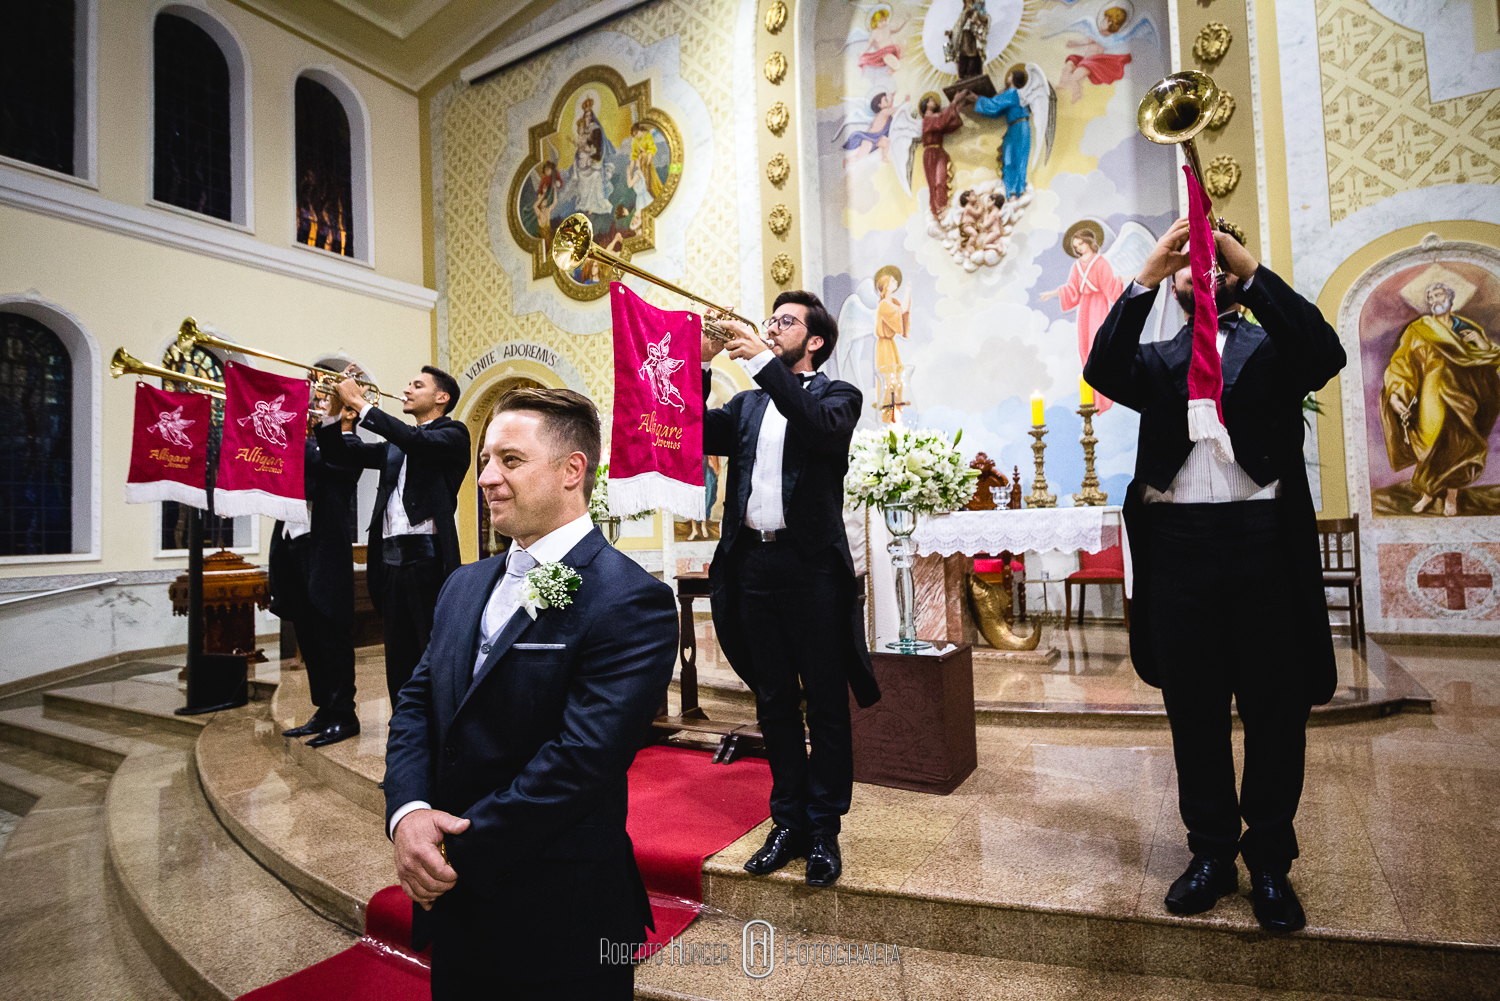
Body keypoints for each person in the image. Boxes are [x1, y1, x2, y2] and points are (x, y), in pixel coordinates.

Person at [1084, 217, 1347, 934]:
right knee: (1194, 709)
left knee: (1273, 708)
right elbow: (1100, 368)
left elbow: (1328, 350)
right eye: (1189, 266)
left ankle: (1268, 859)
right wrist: (1145, 274)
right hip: (1179, 546)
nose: (1201, 272)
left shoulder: (1276, 351)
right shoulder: (1158, 358)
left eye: (1212, 264)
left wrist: (1248, 266)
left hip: (1262, 540)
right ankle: (1208, 853)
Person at [384, 388, 676, 1000]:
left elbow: (581, 758)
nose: (486, 477)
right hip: (454, 904)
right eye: (486, 459)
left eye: (510, 461)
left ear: (573, 471)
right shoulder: (463, 584)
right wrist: (408, 814)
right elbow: (417, 704)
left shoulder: (630, 599)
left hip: (558, 910)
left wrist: (451, 842)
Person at [701, 291, 881, 889]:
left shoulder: (838, 396)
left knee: (826, 702)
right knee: (774, 699)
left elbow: (819, 432)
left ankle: (824, 826)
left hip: (811, 570)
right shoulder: (749, 403)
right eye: (771, 319)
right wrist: (700, 363)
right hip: (753, 564)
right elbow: (696, 430)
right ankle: (787, 822)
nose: (773, 327)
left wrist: (763, 363)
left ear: (816, 341)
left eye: (786, 322)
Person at [323, 367, 470, 707]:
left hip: (429, 560)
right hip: (390, 561)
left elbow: (416, 439)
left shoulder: (453, 434)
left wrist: (361, 404)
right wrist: (338, 412)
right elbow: (343, 454)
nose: (405, 390)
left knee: (430, 651)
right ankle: (406, 728)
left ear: (441, 398)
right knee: (398, 657)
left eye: (417, 385)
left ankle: (441, 728)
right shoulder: (396, 446)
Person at [271, 396, 365, 748]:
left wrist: (319, 424)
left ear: (347, 412)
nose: (311, 409)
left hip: (323, 551)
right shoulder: (302, 444)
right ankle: (324, 708)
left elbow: (318, 461)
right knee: (308, 635)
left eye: (322, 403)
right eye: (313, 404)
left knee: (330, 633)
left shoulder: (348, 445)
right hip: (293, 547)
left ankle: (345, 713)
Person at [1381, 281, 1500, 517]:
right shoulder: (1419, 329)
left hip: (1465, 397)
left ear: (1451, 299)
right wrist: (1396, 393)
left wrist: (1481, 343)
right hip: (1431, 397)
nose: (1435, 300)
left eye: (1440, 295)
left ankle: (1451, 497)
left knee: (1460, 446)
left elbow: (1486, 362)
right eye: (1431, 296)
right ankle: (1428, 494)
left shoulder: (1467, 328)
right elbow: (1403, 362)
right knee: (1431, 445)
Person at [1042, 225, 1123, 412]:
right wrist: (1053, 293)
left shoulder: (1101, 263)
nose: (1079, 248)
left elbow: (1110, 286)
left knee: (1099, 346)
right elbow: (1071, 289)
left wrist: (1123, 282)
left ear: (1089, 242)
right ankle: (1092, 397)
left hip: (1098, 306)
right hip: (1085, 308)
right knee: (1085, 348)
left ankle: (1105, 397)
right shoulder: (1076, 266)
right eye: (1076, 246)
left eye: (1081, 243)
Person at [967, 66, 1033, 198]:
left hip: (1020, 127)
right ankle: (1010, 192)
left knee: (1018, 159)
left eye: (1010, 75)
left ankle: (1017, 191)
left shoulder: (1014, 92)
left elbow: (995, 105)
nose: (1008, 76)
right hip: (1014, 128)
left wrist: (977, 99)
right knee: (1008, 158)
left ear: (1014, 79)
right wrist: (979, 108)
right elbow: (997, 111)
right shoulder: (1011, 94)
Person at [918, 91, 969, 219]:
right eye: (931, 100)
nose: (934, 101)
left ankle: (943, 206)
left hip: (939, 152)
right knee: (934, 183)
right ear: (926, 105)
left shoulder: (935, 117)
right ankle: (936, 210)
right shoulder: (927, 118)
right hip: (930, 153)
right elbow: (941, 122)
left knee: (941, 181)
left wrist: (959, 106)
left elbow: (950, 125)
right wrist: (954, 102)